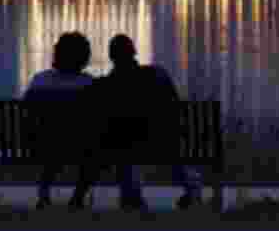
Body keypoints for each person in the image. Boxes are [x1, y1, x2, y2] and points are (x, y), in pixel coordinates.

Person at [23, 32, 141, 210]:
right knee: (96, 153)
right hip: (81, 146)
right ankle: (78, 196)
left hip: (40, 144)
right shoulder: (89, 84)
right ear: (84, 57)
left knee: (53, 146)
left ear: (57, 55)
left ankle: (44, 193)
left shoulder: (39, 81)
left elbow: (27, 110)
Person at [85, 34, 203, 211]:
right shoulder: (156, 74)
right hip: (162, 141)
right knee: (164, 142)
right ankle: (191, 188)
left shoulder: (106, 84)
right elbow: (174, 106)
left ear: (111, 56)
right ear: (134, 52)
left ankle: (132, 196)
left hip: (125, 145)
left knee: (121, 141)